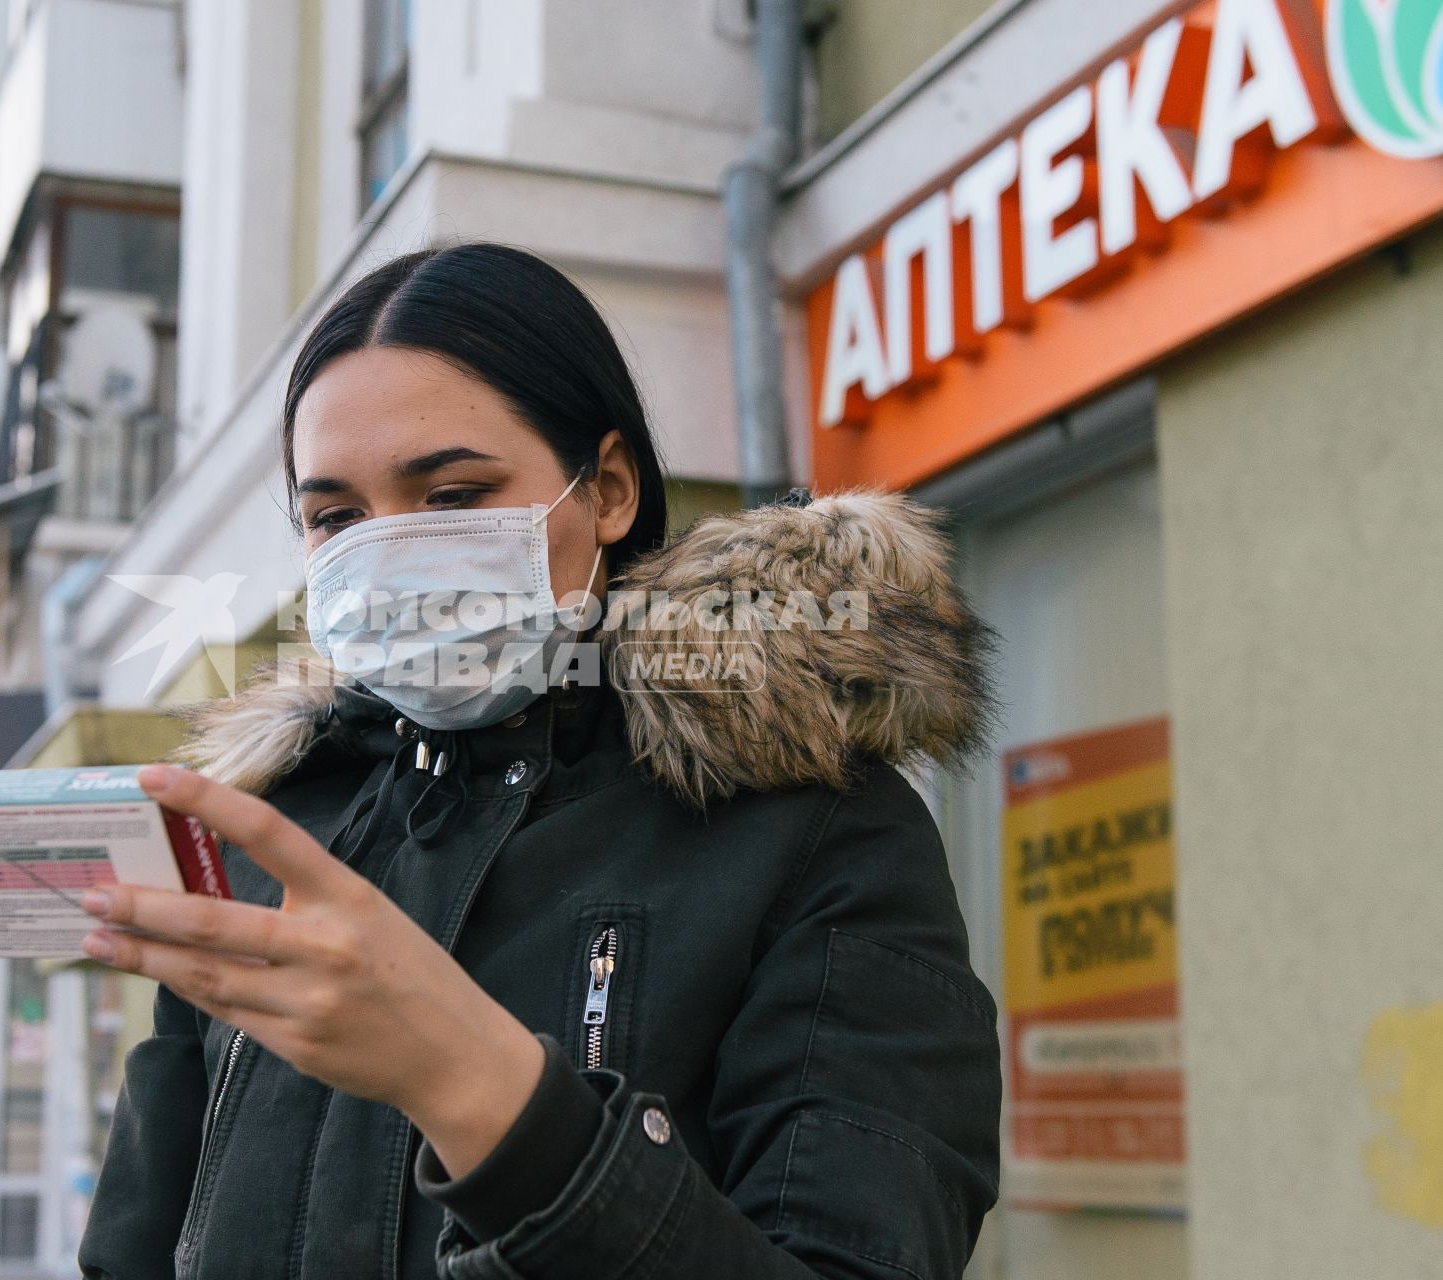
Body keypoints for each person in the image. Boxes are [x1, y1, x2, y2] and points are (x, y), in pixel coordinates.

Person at [75, 240, 1002, 1279]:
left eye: (455, 495)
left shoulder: (814, 826)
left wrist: (481, 1087)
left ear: (605, 489)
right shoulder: (273, 835)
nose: (385, 555)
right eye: (334, 517)